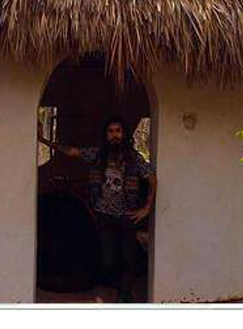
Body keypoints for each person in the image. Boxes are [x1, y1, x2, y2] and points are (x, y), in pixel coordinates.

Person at [38, 116, 157, 302]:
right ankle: (122, 289)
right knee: (107, 260)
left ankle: (124, 296)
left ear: (124, 134)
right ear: (106, 135)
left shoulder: (134, 158)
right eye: (110, 132)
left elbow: (152, 179)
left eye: (118, 131)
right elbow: (72, 152)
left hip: (128, 216)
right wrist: (44, 141)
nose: (114, 135)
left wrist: (146, 208)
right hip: (104, 216)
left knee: (128, 259)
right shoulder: (98, 155)